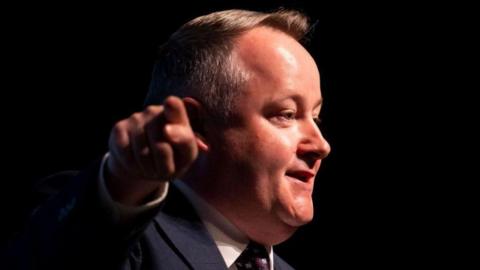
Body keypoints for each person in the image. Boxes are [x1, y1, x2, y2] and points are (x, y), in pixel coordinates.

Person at [6, 8, 331, 270]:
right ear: (198, 125)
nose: (321, 145)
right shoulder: (121, 240)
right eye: (286, 115)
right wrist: (123, 180)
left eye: (315, 117)